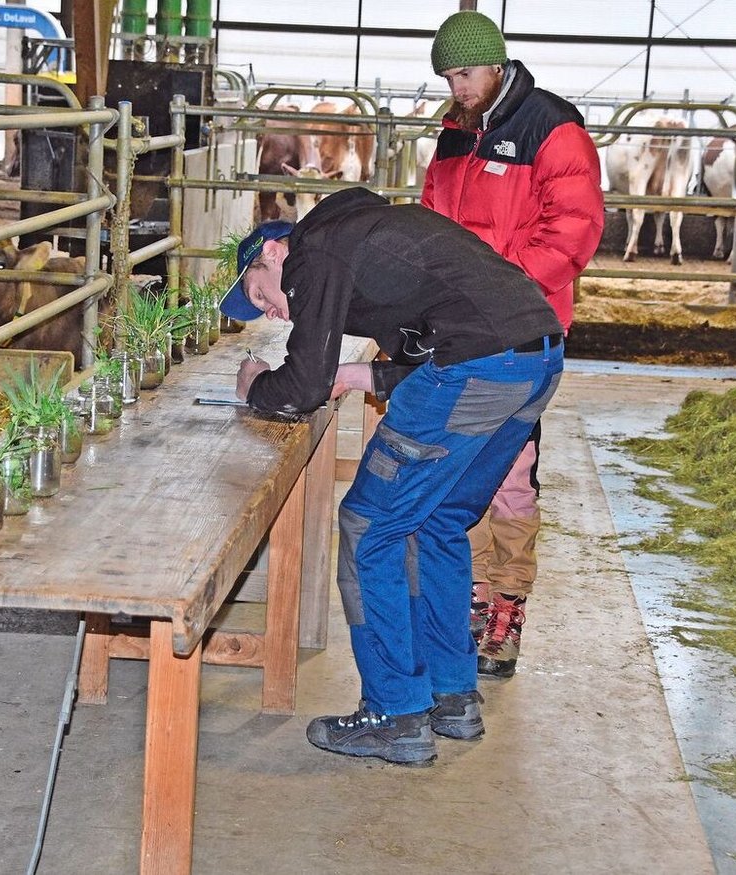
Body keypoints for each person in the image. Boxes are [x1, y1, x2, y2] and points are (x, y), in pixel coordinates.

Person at [221, 186, 564, 765]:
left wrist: (254, 382)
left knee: (368, 525)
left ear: (275, 253)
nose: (272, 312)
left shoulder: (317, 249)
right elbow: (439, 331)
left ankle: (394, 713)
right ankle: (451, 696)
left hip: (479, 366)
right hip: (538, 356)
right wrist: (366, 380)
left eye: (262, 295)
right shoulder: (367, 237)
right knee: (437, 523)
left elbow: (302, 388)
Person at [423, 11, 605, 679]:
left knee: (511, 478)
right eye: (446, 75)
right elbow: (432, 222)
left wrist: (503, 290)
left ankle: (508, 605)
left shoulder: (550, 128)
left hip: (523, 332)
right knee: (455, 467)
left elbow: (574, 230)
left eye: (464, 72)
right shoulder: (452, 135)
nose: (457, 85)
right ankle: (468, 597)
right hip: (458, 331)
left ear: (495, 63)